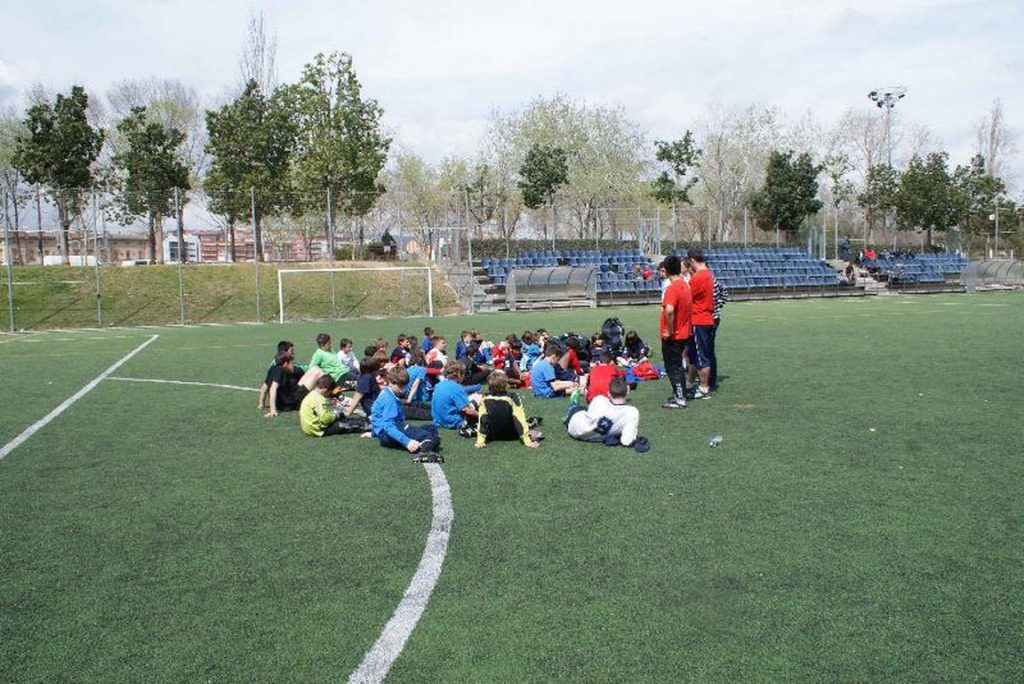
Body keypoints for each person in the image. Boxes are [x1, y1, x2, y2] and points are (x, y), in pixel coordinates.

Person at [371, 366, 441, 456]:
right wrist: (407, 442)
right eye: (400, 386)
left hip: (387, 432)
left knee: (430, 428)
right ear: (391, 383)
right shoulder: (389, 399)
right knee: (431, 437)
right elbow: (388, 426)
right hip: (389, 433)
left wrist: (374, 432)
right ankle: (423, 452)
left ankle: (422, 444)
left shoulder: (388, 393)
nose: (402, 389)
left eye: (404, 386)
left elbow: (377, 416)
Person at [566, 377, 641, 448]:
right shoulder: (632, 412)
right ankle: (573, 404)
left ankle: (574, 404)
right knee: (579, 410)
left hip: (575, 430)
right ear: (627, 392)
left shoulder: (599, 400)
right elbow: (626, 441)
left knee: (578, 409)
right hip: (595, 436)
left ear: (608, 393)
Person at [475, 371, 541, 449]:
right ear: (505, 384)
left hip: (492, 435)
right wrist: (527, 441)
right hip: (512, 435)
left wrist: (480, 441)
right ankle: (531, 426)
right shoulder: (513, 396)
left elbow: (483, 418)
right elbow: (519, 419)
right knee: (528, 423)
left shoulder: (485, 397)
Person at [659, 254, 692, 409]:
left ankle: (679, 399)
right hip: (684, 333)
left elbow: (670, 311)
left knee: (673, 367)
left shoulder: (672, 288)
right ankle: (681, 394)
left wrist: (670, 331)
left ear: (665, 270)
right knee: (678, 365)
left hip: (674, 335)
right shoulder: (685, 285)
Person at [686, 249, 714, 399]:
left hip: (699, 319)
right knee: (694, 355)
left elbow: (687, 297)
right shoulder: (707, 274)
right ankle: (689, 383)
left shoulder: (699, 277)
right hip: (704, 318)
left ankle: (704, 388)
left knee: (701, 356)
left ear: (692, 260)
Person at [299, 375, 369, 437]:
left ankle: (364, 421)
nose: (328, 395)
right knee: (346, 424)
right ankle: (368, 425)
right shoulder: (319, 399)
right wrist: (337, 415)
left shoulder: (311, 395)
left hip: (309, 429)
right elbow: (325, 419)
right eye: (329, 393)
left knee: (342, 418)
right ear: (325, 390)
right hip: (319, 429)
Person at [431, 361, 483, 433]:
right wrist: (481, 415)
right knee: (478, 398)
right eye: (464, 373)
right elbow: (467, 411)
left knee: (472, 397)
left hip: (438, 421)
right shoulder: (457, 388)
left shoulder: (438, 385)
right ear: (459, 374)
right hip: (453, 421)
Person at [264, 351, 318, 417]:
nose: (293, 365)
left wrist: (261, 404)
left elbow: (264, 387)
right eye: (291, 362)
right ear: (286, 363)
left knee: (314, 369)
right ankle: (329, 394)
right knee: (317, 372)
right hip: (291, 402)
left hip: (289, 397)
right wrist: (273, 410)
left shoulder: (272, 368)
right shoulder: (280, 371)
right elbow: (273, 388)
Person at [710, 275, 729, 390]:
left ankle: (710, 379)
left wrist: (718, 306)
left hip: (711, 318)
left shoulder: (711, 280)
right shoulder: (712, 279)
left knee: (708, 350)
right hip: (713, 317)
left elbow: (724, 292)